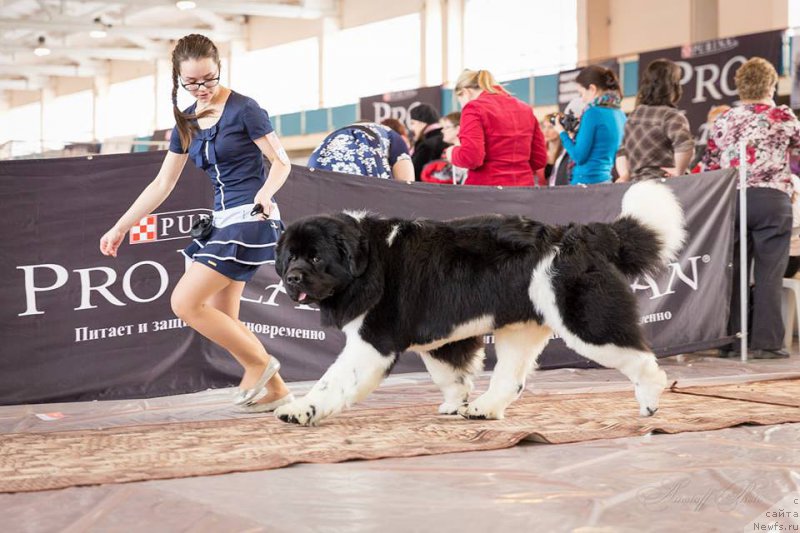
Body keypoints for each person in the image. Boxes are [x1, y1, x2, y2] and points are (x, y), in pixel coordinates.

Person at [99, 34, 294, 411]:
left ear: (219, 68)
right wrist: (120, 226)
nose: (202, 88)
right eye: (192, 82)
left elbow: (281, 162)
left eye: (209, 78)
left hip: (251, 218)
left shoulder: (246, 109)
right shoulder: (186, 122)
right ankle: (278, 390)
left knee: (185, 303)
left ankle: (261, 364)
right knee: (223, 317)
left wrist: (265, 195)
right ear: (178, 79)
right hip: (221, 222)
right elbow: (162, 183)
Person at [698, 57, 799, 359]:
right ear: (771, 85)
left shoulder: (724, 119)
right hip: (772, 200)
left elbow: (709, 164)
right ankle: (767, 344)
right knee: (769, 272)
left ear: (740, 85)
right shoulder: (783, 116)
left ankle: (732, 340)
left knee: (734, 271)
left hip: (733, 201)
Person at [443, 68, 547, 186]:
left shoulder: (473, 108)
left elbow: (471, 158)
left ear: (465, 92)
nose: (462, 105)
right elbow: (539, 159)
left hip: (487, 191)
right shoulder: (525, 108)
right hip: (524, 188)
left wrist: (452, 153)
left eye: (460, 100)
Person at [616, 59, 695, 182]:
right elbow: (685, 147)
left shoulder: (634, 115)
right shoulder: (671, 116)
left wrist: (624, 175)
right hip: (665, 185)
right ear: (673, 86)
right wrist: (679, 171)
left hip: (636, 186)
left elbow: (621, 151)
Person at [554, 65, 625, 185]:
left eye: (582, 93)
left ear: (592, 89)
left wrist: (562, 133)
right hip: (606, 181)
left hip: (585, 183)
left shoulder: (593, 113)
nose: (582, 99)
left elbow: (579, 156)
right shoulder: (620, 114)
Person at [307, 122, 414, 182]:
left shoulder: (373, 130)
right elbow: (406, 186)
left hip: (321, 156)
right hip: (360, 154)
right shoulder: (398, 139)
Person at [420, 112, 467, 184]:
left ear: (458, 129)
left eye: (446, 127)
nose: (442, 131)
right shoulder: (447, 151)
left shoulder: (466, 152)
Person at [409, 104, 448, 179]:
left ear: (422, 123)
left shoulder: (427, 145)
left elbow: (414, 173)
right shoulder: (443, 138)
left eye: (413, 123)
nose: (411, 128)